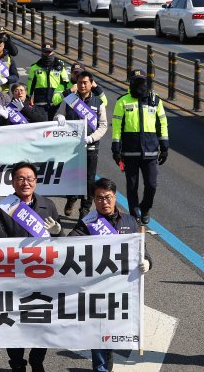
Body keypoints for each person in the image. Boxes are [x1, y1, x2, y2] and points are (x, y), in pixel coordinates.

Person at [69, 178, 151, 372]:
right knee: (97, 330)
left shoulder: (130, 221)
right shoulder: (87, 223)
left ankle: (107, 360)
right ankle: (101, 368)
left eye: (108, 197)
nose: (104, 202)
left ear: (115, 197)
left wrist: (147, 261)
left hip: (122, 288)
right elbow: (70, 245)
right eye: (99, 198)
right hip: (96, 286)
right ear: (94, 200)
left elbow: (142, 249)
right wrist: (57, 235)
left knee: (113, 331)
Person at [0, 162, 63, 372]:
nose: (25, 183)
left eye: (30, 179)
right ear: (13, 182)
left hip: (43, 275)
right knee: (13, 321)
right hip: (14, 275)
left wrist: (58, 232)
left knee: (42, 319)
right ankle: (16, 363)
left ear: (36, 181)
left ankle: (37, 360)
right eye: (20, 179)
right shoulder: (3, 207)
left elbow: (62, 244)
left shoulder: (48, 205)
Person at [111, 69, 169, 224]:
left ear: (146, 82)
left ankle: (145, 208)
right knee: (132, 186)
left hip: (150, 152)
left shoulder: (155, 101)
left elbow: (162, 124)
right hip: (129, 153)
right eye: (135, 81)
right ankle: (134, 213)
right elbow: (116, 127)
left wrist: (164, 147)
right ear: (130, 83)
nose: (139, 84)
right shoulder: (122, 101)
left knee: (151, 185)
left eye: (141, 81)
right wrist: (116, 150)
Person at [54, 70, 108, 218]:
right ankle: (71, 199)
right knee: (72, 176)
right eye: (79, 83)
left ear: (91, 84)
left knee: (89, 179)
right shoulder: (69, 100)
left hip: (91, 146)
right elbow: (58, 115)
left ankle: (85, 208)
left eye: (85, 83)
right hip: (72, 147)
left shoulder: (98, 102)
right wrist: (59, 118)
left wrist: (92, 138)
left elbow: (103, 125)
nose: (82, 85)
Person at [27, 44, 70, 119]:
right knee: (42, 120)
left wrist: (66, 97)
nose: (47, 54)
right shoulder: (34, 68)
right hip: (40, 100)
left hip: (56, 100)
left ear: (53, 52)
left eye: (49, 52)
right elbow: (30, 84)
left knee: (54, 120)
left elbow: (66, 84)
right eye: (45, 52)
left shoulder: (60, 67)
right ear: (42, 52)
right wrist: (29, 97)